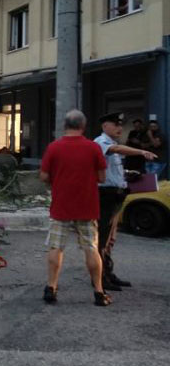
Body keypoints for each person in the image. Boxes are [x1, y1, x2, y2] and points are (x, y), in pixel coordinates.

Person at [39, 110, 110, 306]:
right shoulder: (93, 148)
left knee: (56, 247)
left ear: (65, 125)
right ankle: (98, 291)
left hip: (61, 206)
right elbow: (102, 177)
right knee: (91, 248)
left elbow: (44, 176)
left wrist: (58, 179)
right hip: (87, 206)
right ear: (83, 126)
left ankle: (51, 287)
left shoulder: (54, 147)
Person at [94, 112, 157, 291]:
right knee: (103, 239)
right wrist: (141, 151)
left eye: (121, 125)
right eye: (115, 124)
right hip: (106, 196)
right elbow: (117, 151)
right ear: (105, 126)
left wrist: (127, 174)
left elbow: (113, 169)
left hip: (116, 195)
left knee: (110, 240)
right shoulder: (101, 142)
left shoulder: (112, 143)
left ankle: (108, 273)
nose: (120, 128)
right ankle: (99, 278)